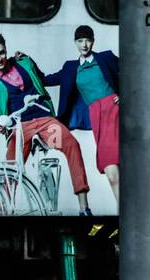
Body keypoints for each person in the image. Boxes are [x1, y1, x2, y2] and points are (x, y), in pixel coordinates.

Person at [0, 33, 94, 216]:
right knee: (10, 171)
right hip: (19, 126)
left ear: (6, 50)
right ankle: (5, 213)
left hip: (44, 120)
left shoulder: (24, 62)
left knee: (71, 144)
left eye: (1, 53)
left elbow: (41, 78)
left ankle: (84, 207)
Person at [43, 25, 121, 202]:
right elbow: (45, 79)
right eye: (80, 41)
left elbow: (133, 71)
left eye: (87, 40)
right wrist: (25, 62)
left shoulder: (105, 58)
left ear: (93, 41)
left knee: (113, 170)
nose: (84, 45)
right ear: (75, 43)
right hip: (96, 116)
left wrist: (124, 95)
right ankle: (124, 213)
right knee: (113, 170)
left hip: (115, 112)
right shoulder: (71, 68)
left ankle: (123, 215)